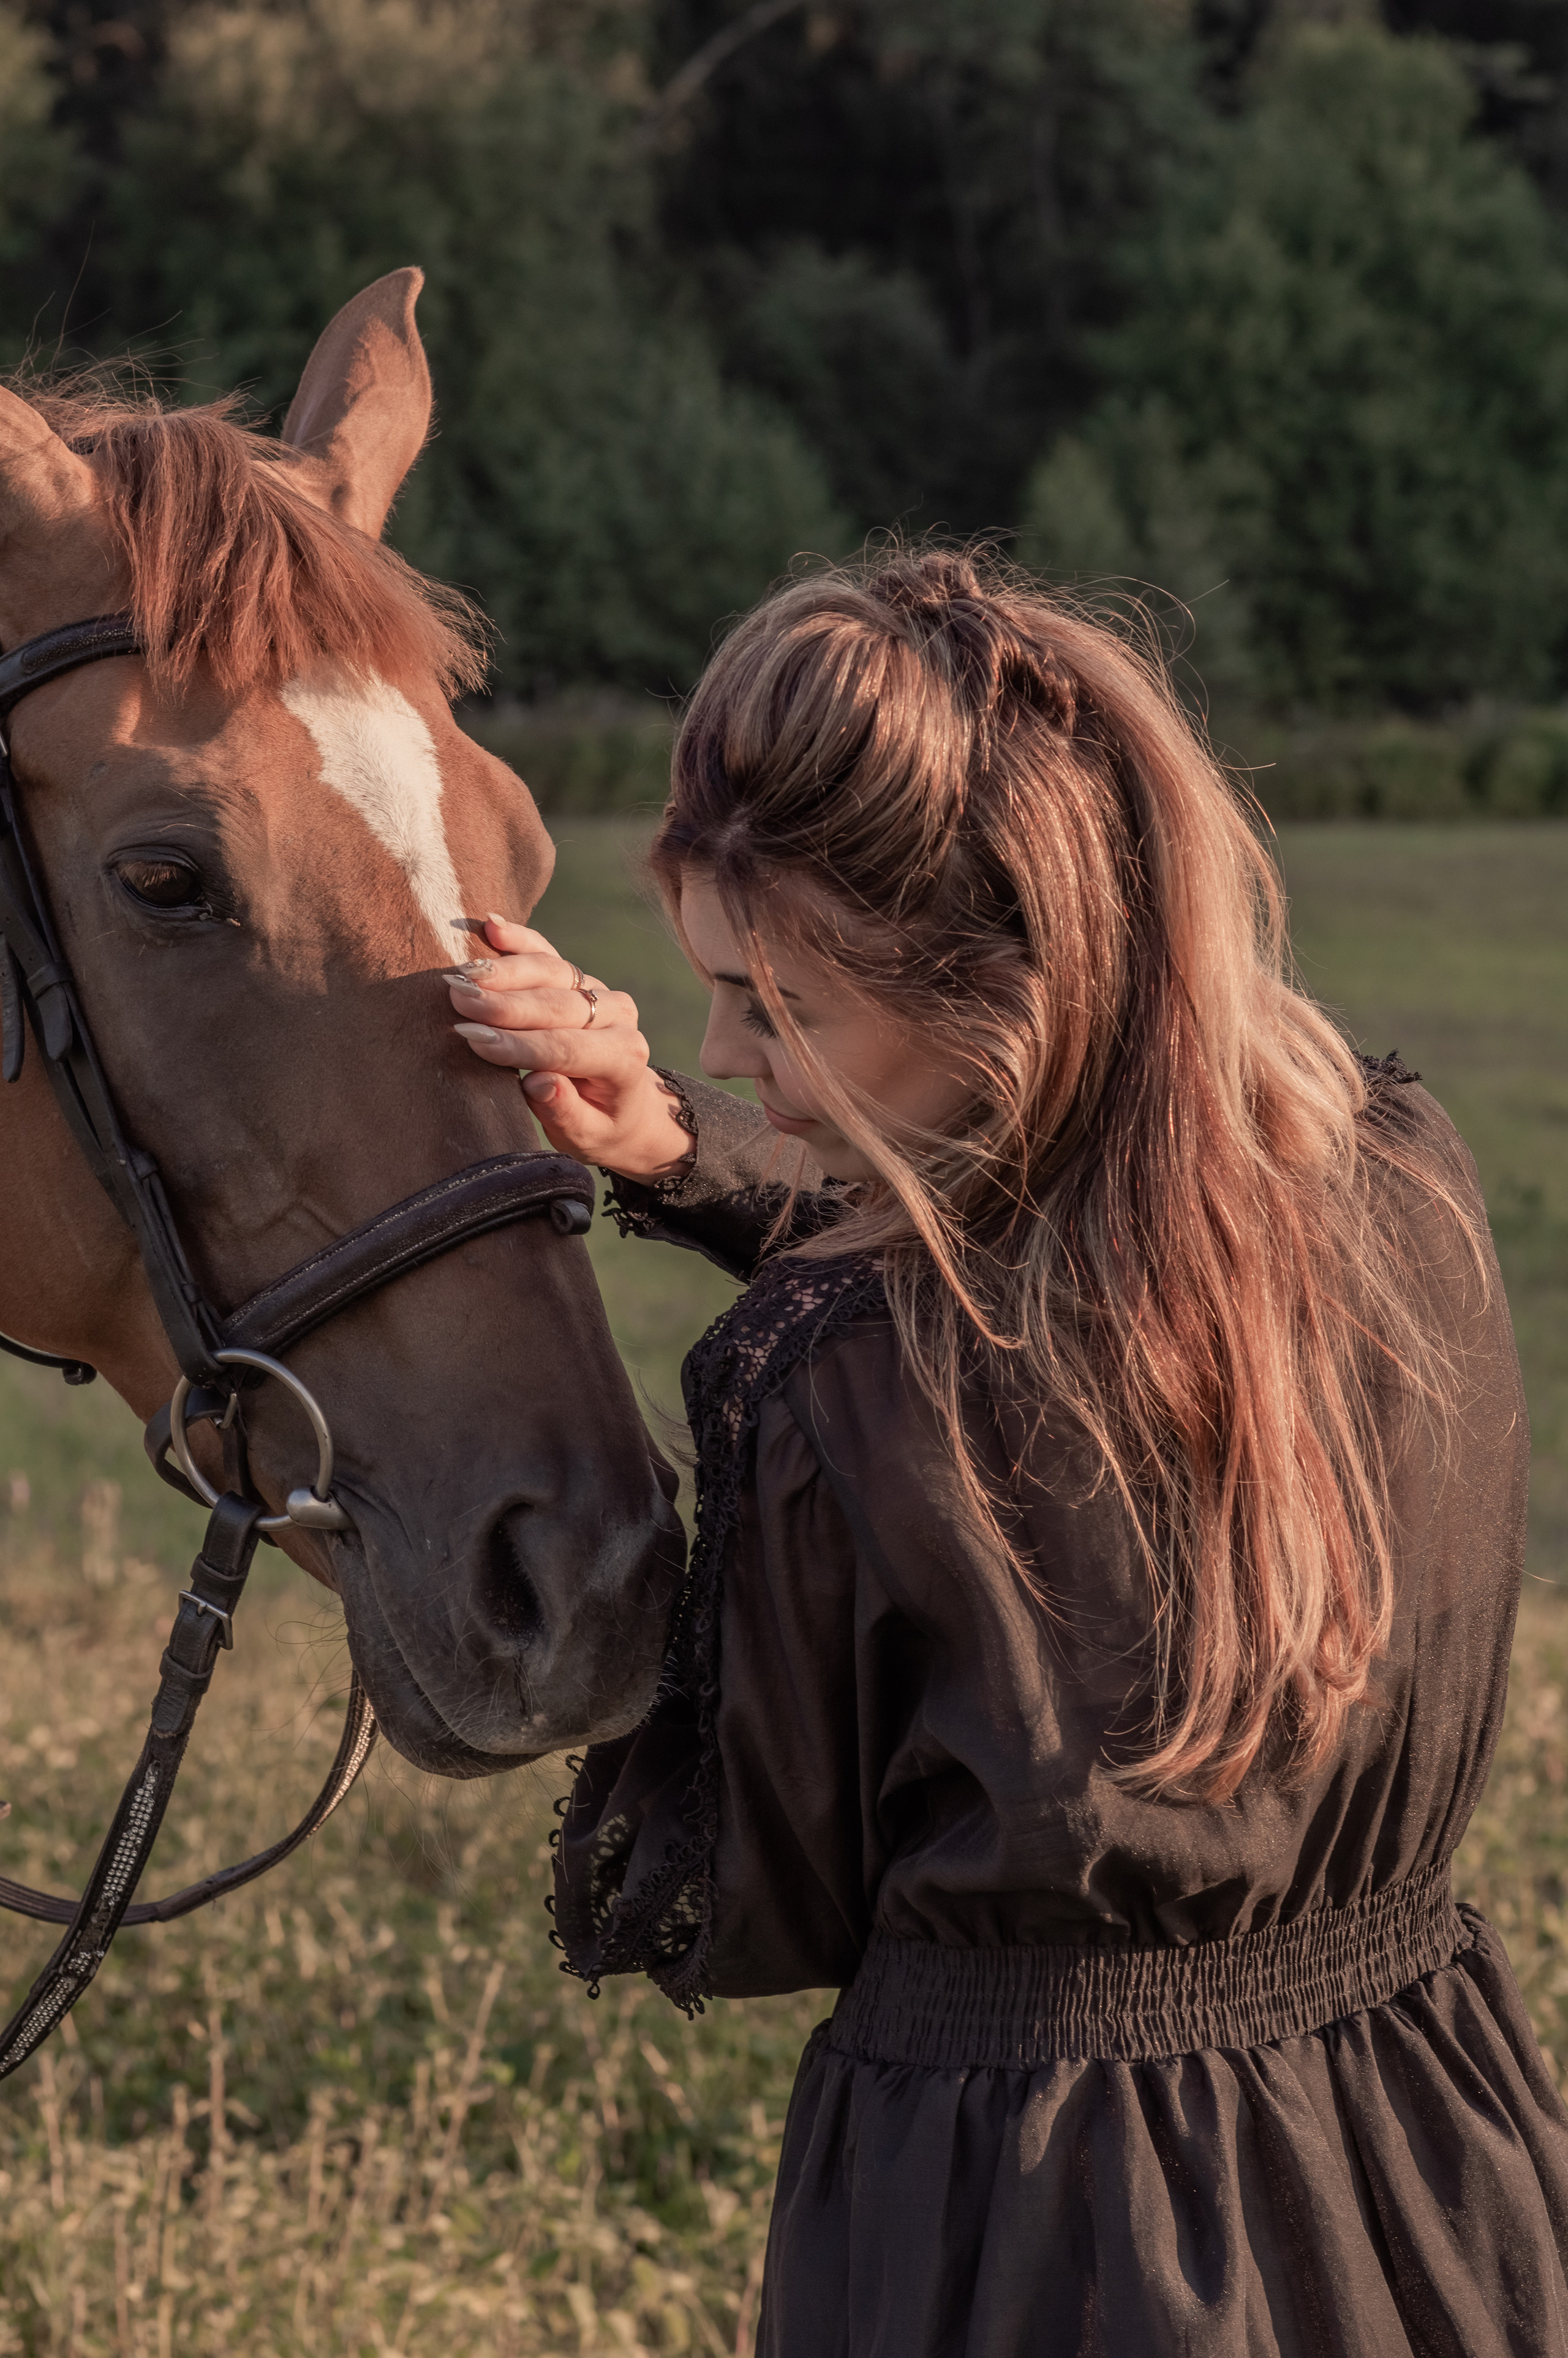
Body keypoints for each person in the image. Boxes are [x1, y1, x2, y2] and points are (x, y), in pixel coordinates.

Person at [445, 550, 1568, 2356]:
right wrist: (682, 1144)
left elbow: (748, 1894)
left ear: (998, 994)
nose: (730, 1048)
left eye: (777, 1008)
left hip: (1032, 2222)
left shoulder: (832, 1385)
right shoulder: (1397, 1187)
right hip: (1417, 2153)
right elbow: (1041, 1294)